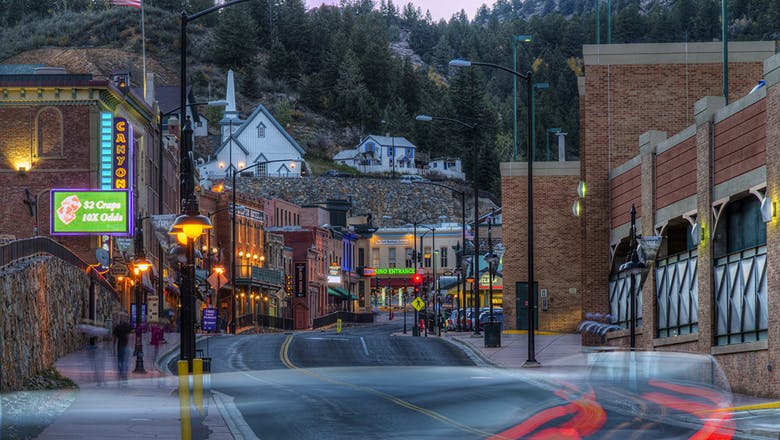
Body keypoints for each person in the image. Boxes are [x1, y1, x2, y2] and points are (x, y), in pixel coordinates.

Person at [113, 318, 133, 386]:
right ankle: (124, 374)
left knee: (120, 360)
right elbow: (128, 336)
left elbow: (115, 337)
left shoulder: (117, 327)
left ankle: (121, 373)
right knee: (125, 361)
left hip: (119, 345)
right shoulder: (127, 326)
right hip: (125, 346)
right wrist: (128, 344)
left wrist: (113, 345)